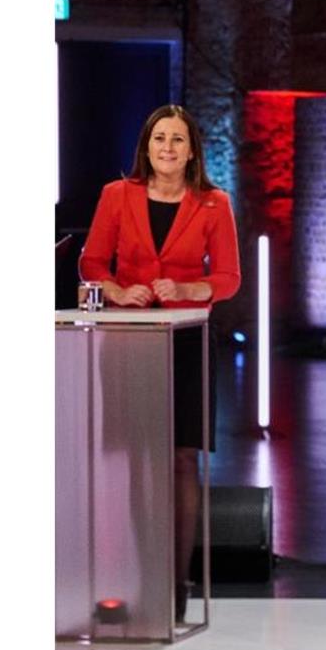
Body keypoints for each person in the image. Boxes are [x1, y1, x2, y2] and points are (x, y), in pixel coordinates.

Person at [80, 104, 241, 623]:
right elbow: (90, 262)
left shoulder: (214, 204)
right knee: (136, 460)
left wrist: (193, 287)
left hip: (187, 339)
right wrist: (117, 290)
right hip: (129, 339)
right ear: (145, 147)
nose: (167, 148)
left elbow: (230, 278)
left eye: (177, 140)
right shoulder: (115, 196)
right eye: (159, 139)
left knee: (180, 459)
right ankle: (140, 573)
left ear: (192, 149)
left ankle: (177, 582)